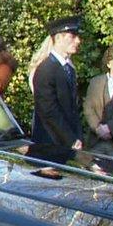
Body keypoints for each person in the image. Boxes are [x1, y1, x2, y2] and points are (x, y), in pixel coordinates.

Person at [32, 16, 83, 150]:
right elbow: (49, 111)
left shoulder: (68, 69)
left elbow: (72, 108)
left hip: (65, 142)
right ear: (59, 38)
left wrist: (77, 137)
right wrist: (71, 140)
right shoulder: (46, 69)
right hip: (50, 142)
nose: (78, 41)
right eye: (72, 37)